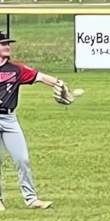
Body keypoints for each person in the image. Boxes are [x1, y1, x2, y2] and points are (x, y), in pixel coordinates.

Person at [0, 32, 62, 211]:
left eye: (7, 43)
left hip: (10, 119)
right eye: (3, 44)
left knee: (22, 159)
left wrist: (60, 84)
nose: (7, 46)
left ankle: (31, 199)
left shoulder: (16, 69)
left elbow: (40, 77)